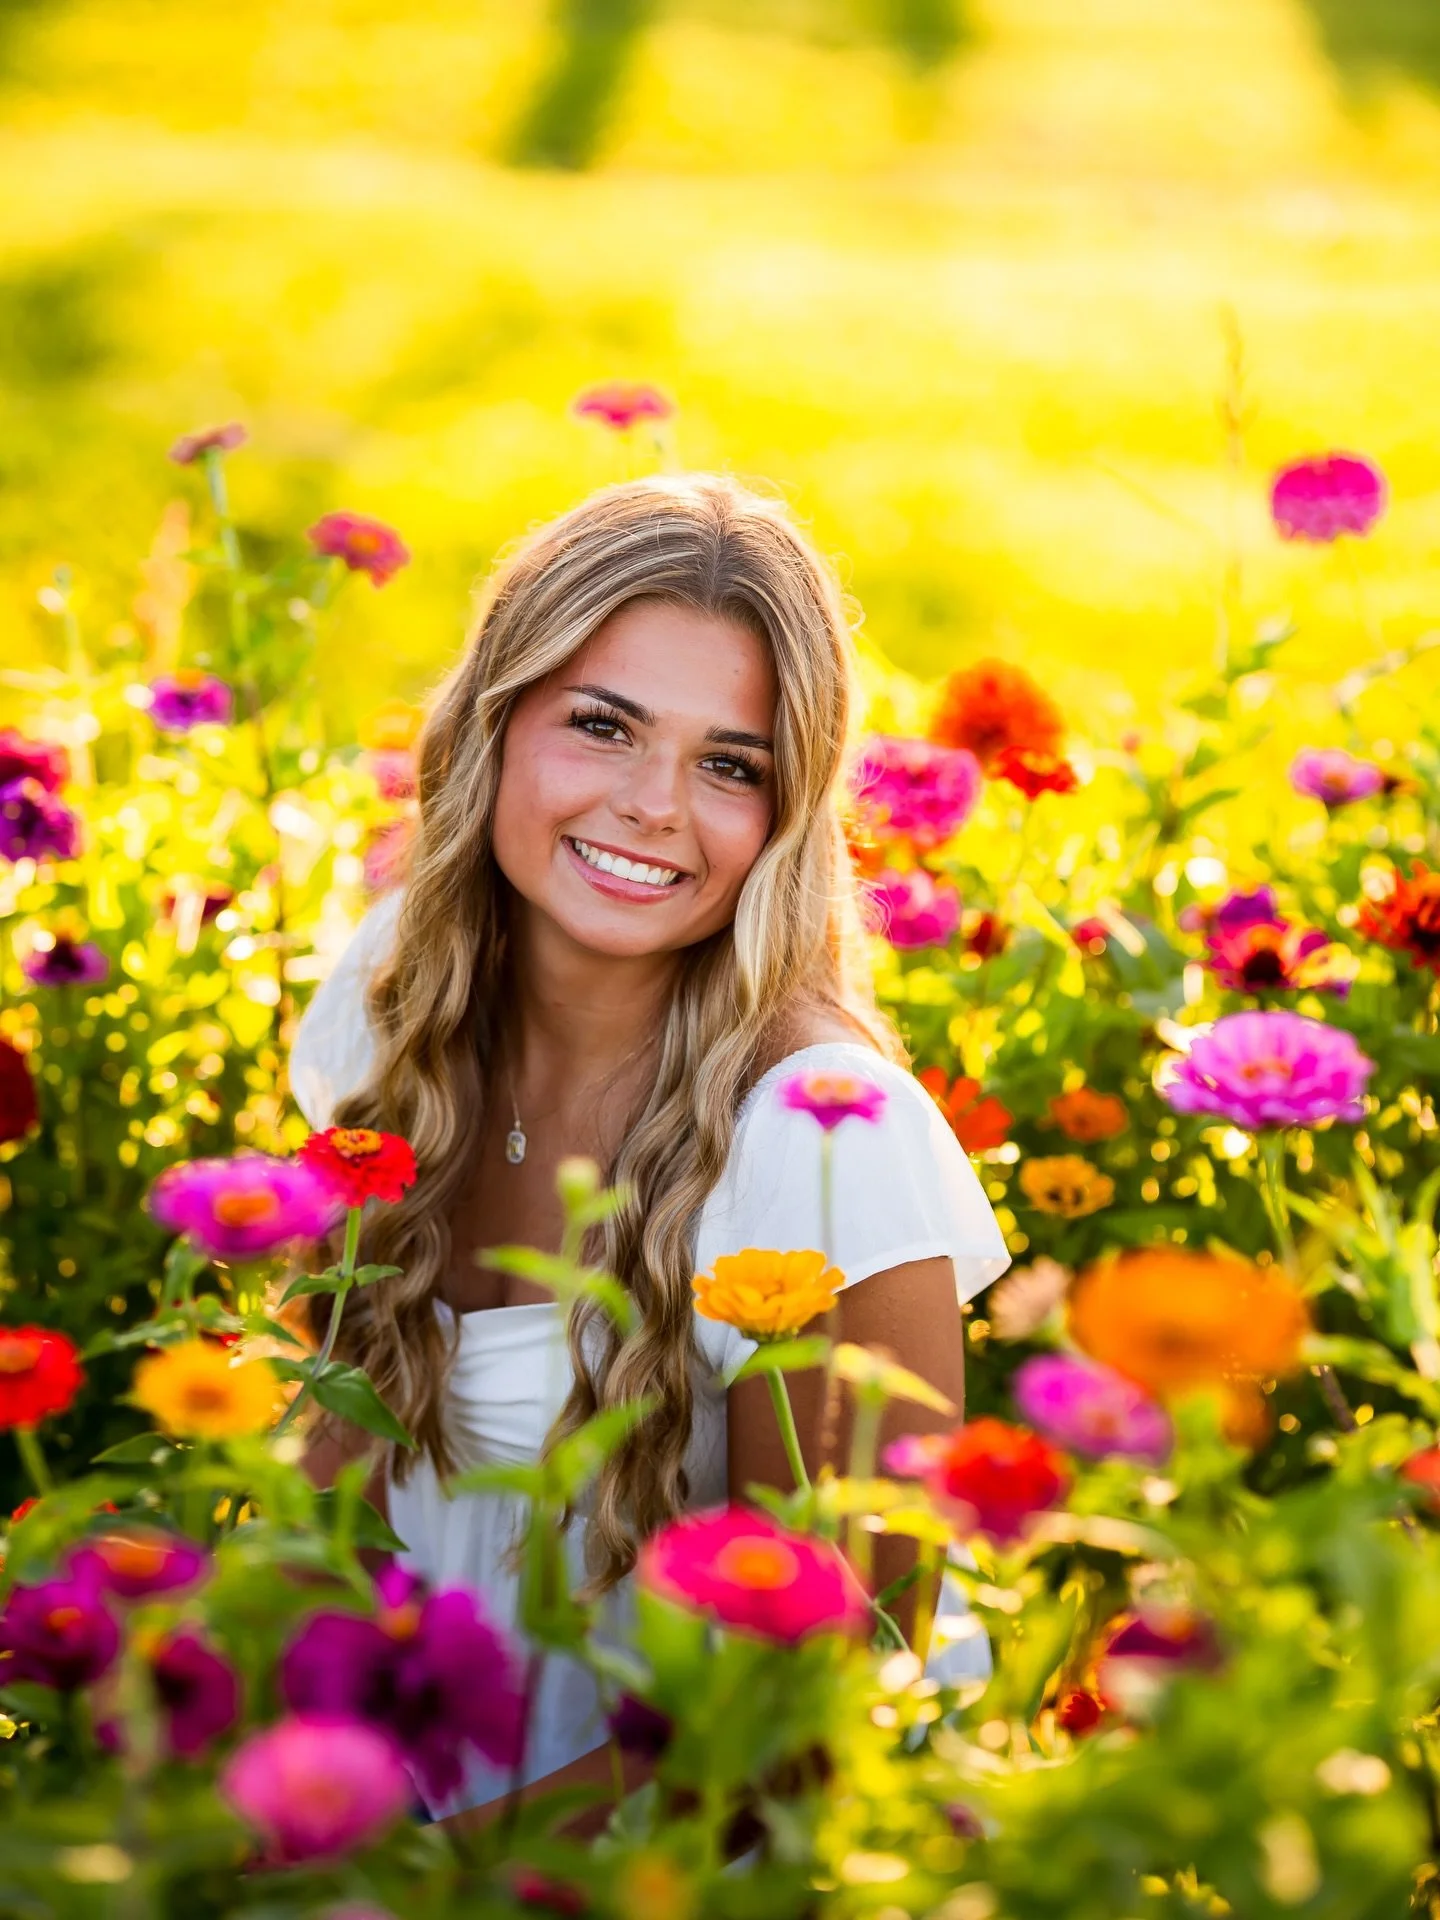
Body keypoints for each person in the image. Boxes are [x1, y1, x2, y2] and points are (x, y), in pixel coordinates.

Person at [290, 473, 1010, 1825]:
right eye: (603, 726)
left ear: (787, 815)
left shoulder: (825, 1135)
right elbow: (320, 1464)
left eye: (730, 764)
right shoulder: (395, 996)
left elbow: (822, 1696)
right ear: (492, 726)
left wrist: (436, 1874)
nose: (655, 806)